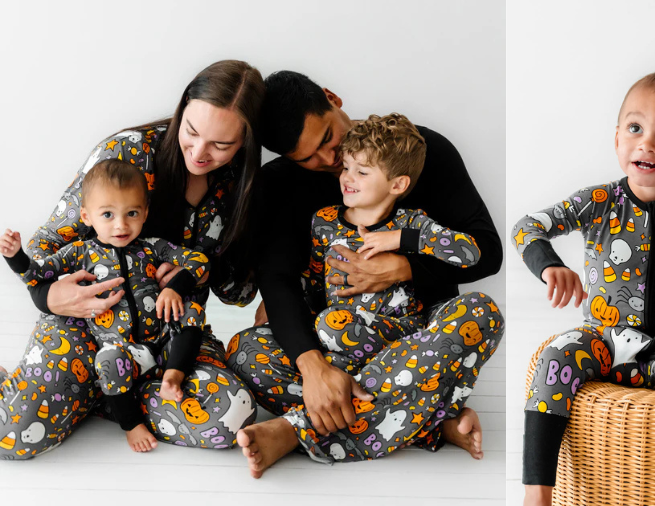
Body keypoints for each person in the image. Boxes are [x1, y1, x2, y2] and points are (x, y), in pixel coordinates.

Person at [226, 71, 504, 477]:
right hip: (338, 342)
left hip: (417, 340)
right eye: (306, 158)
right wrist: (315, 369)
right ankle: (431, 421)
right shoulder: (288, 187)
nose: (330, 163)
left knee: (480, 313)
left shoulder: (416, 152)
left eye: (325, 140)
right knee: (244, 352)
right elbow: (278, 279)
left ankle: (295, 430)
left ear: (332, 98)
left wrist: (404, 265)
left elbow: (486, 251)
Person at [0, 60, 265, 458]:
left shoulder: (240, 188)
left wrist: (190, 275)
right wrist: (49, 298)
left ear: (245, 140)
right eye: (192, 132)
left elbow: (239, 294)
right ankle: (94, 388)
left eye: (221, 145)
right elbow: (45, 244)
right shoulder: (129, 151)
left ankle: (104, 392)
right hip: (87, 326)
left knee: (231, 417)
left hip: (169, 341)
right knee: (15, 437)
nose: (199, 152)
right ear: (183, 108)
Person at [513, 70, 655, 506]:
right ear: (617, 139)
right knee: (555, 358)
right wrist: (550, 266)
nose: (646, 143)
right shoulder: (599, 202)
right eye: (635, 128)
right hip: (602, 338)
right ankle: (536, 492)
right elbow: (529, 227)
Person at [1, 159, 211, 452]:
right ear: (87, 216)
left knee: (192, 311)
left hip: (163, 343)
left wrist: (175, 289)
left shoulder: (151, 246)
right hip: (121, 351)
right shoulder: (80, 252)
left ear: (145, 212)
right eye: (108, 214)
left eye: (132, 213)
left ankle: (173, 376)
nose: (121, 225)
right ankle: (131, 423)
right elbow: (38, 274)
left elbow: (198, 261)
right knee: (108, 360)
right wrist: (16, 257)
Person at [308, 113, 481, 373]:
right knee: (327, 327)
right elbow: (314, 279)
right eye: (346, 167)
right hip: (342, 337)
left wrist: (402, 238)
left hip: (406, 332)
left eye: (362, 171)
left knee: (329, 325)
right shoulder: (323, 221)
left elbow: (470, 253)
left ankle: (396, 371)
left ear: (398, 184)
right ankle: (383, 382)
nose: (347, 177)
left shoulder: (413, 222)